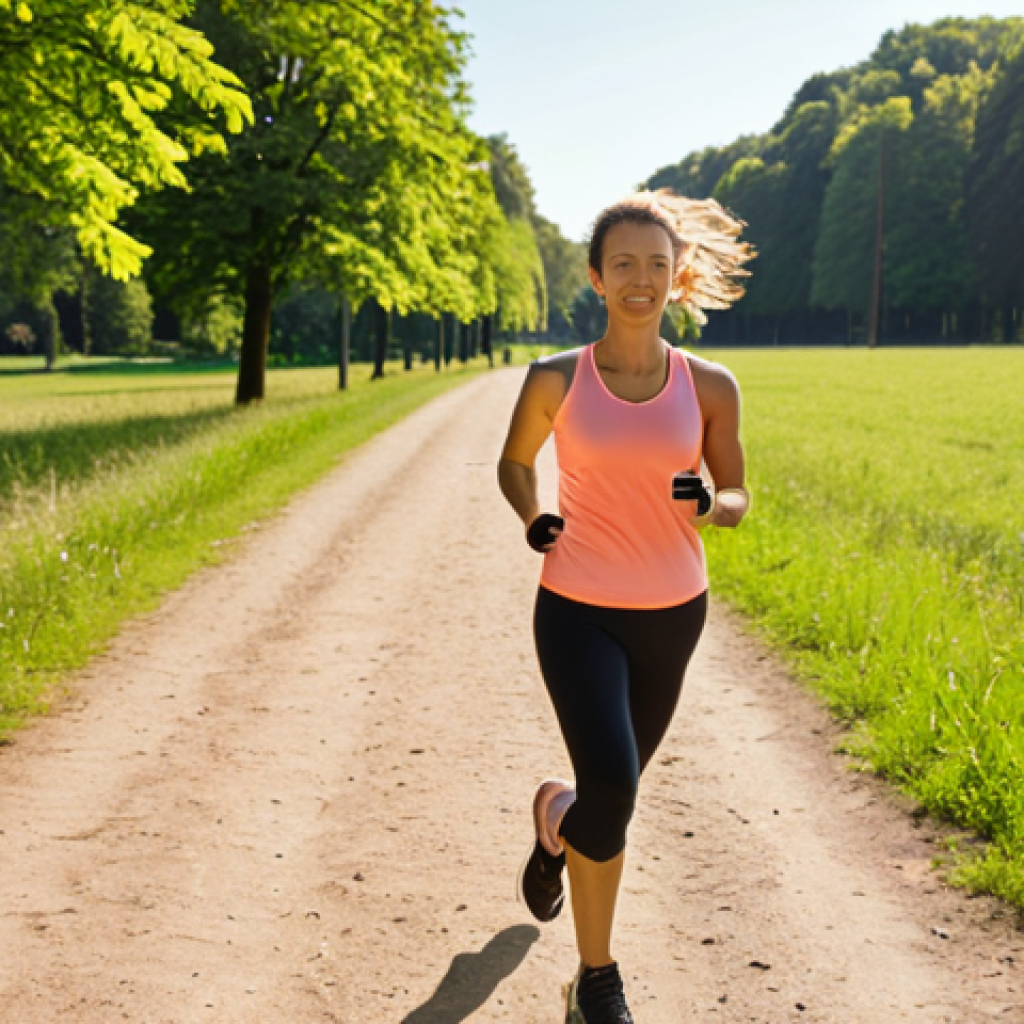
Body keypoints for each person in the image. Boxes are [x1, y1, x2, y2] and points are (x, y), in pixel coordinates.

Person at [497, 188, 753, 1024]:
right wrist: (534, 515)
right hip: (575, 606)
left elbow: (739, 490)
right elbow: (515, 463)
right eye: (623, 265)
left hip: (673, 612)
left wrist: (713, 506)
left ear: (677, 277)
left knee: (610, 792)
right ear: (597, 279)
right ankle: (596, 980)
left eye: (656, 263)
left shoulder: (710, 385)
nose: (640, 278)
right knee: (616, 778)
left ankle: (555, 819)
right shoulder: (556, 377)